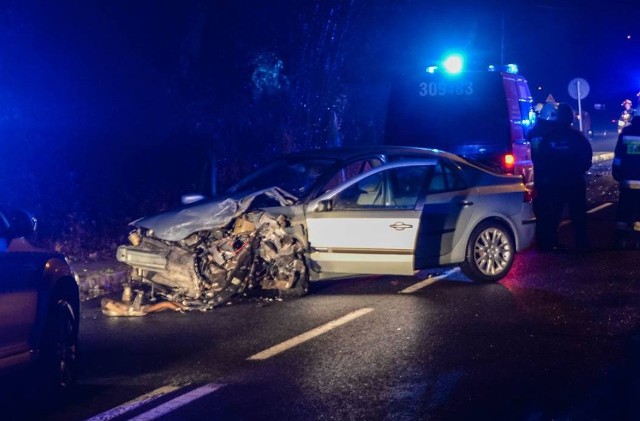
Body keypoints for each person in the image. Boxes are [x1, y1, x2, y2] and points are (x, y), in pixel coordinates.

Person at [532, 102, 593, 252]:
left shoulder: (550, 137)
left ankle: (550, 243)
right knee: (578, 215)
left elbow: (541, 158)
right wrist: (577, 171)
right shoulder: (577, 136)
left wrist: (549, 175)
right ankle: (582, 244)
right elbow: (587, 157)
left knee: (553, 214)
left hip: (554, 182)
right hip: (574, 181)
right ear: (571, 118)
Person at [612, 107, 640, 248]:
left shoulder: (626, 132)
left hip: (627, 181)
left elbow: (618, 156)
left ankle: (620, 240)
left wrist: (616, 171)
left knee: (624, 211)